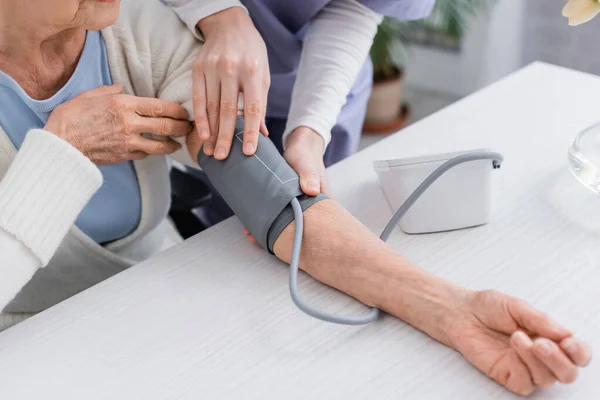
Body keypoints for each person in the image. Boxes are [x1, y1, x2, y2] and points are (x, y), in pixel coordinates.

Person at [0, 0, 591, 396]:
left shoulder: (130, 26)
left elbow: (273, 197)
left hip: (148, 295)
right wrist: (63, 150)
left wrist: (451, 308)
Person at [162, 0, 432, 228]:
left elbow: (354, 7)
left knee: (313, 219)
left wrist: (309, 135)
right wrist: (219, 16)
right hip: (212, 70)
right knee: (232, 233)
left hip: (324, 83)